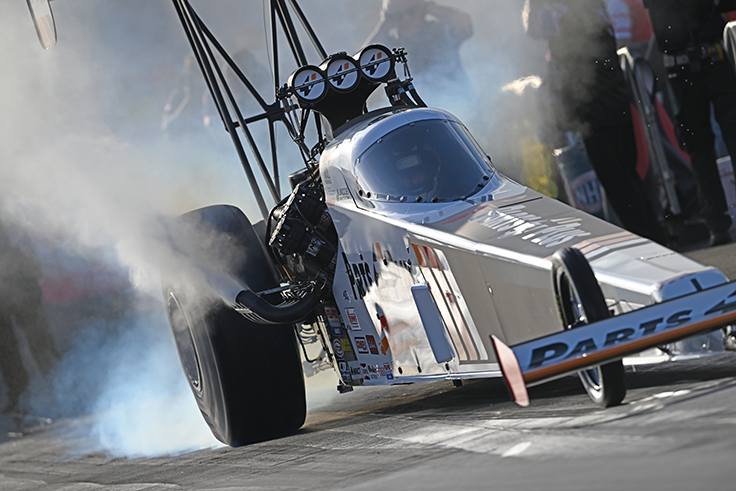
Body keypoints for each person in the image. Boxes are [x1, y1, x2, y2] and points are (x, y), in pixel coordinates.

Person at [523, 0, 666, 244]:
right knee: (626, 176)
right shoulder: (591, 13)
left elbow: (541, 36)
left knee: (617, 180)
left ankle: (646, 238)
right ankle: (653, 234)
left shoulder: (571, 18)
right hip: (611, 103)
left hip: (596, 109)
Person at [643, 0, 736, 246]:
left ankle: (716, 222)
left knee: (727, 136)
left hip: (714, 57)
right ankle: (716, 223)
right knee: (698, 146)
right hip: (682, 66)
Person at [365, 0, 475, 118]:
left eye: (411, 11)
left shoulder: (441, 31)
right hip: (416, 119)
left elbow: (464, 24)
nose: (406, 19)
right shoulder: (390, 48)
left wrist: (430, 7)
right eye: (398, 16)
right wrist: (384, 24)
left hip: (460, 111)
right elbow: (364, 64)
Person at [0, 220, 59, 417]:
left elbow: (23, 230)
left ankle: (61, 384)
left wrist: (30, 260)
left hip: (21, 281)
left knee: (39, 337)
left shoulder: (8, 212)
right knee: (5, 347)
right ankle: (19, 396)